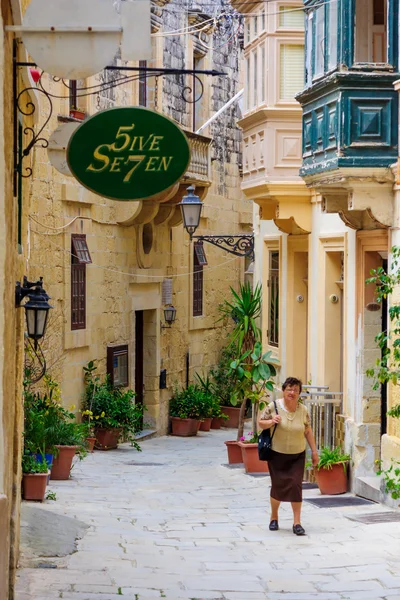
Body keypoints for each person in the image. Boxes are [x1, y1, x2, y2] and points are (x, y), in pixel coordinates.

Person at [258, 377, 319, 536]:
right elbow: (261, 423)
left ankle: (297, 522)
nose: (292, 393)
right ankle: (274, 517)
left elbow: (307, 431)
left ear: (299, 393)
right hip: (277, 454)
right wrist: (272, 421)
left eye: (296, 390)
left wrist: (314, 451)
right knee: (277, 486)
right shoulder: (274, 407)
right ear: (284, 391)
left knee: (296, 486)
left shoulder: (303, 410)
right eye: (289, 389)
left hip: (297, 455)